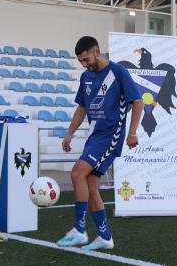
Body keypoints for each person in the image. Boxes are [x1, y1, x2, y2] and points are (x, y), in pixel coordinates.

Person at [56, 36, 143, 250]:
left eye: (86, 59)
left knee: (77, 173)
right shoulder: (86, 77)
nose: (84, 64)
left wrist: (132, 132)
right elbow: (82, 108)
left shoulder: (118, 72)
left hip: (110, 136)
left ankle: (79, 229)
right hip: (94, 136)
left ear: (97, 52)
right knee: (91, 183)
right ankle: (105, 236)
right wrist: (69, 134)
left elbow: (138, 101)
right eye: (80, 62)